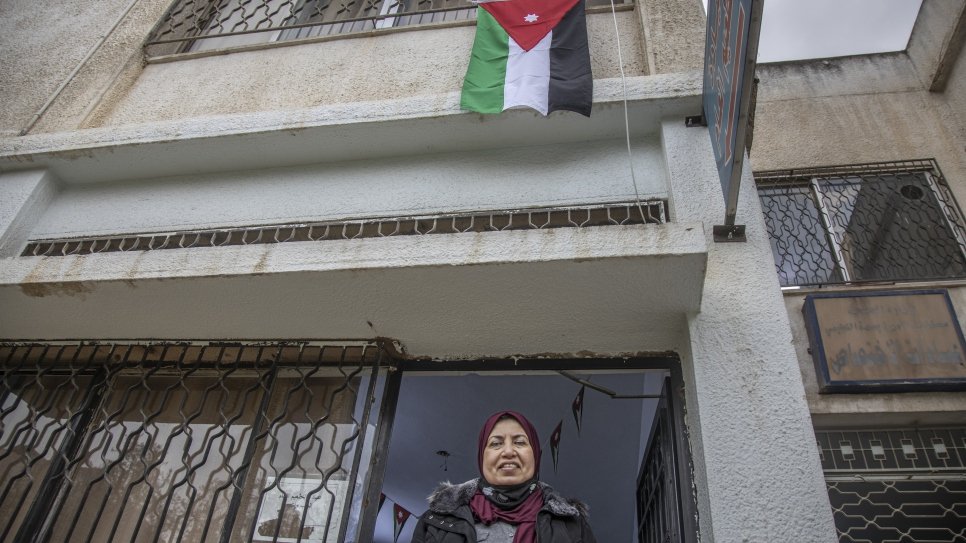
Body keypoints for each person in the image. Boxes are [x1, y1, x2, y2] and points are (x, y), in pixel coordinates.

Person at [410, 410, 596, 543]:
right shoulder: (437, 520)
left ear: (535, 455)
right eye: (496, 444)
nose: (508, 451)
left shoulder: (571, 525)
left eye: (520, 442)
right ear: (482, 456)